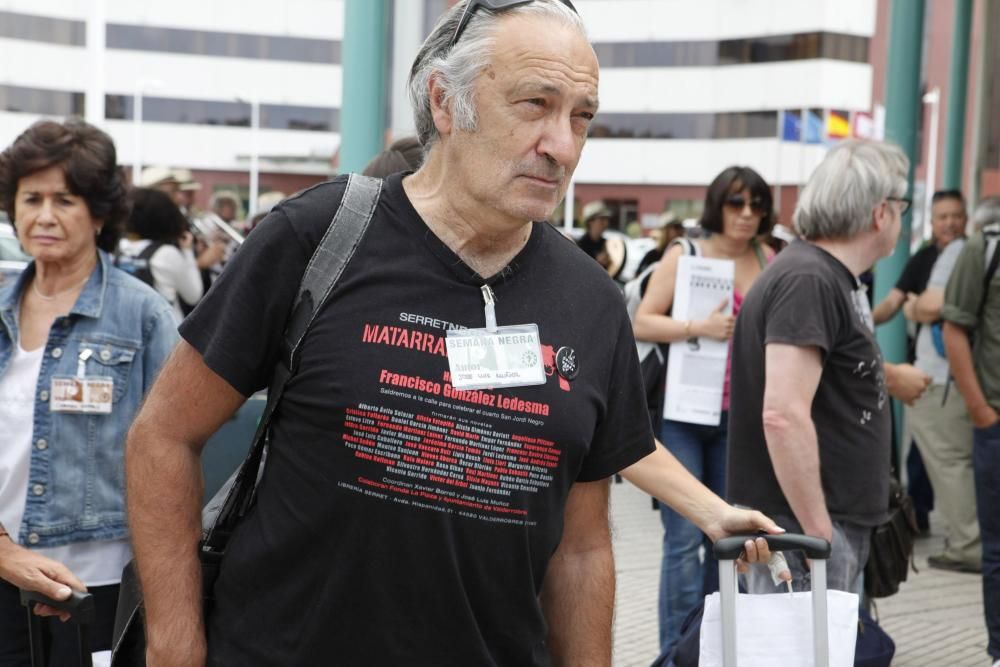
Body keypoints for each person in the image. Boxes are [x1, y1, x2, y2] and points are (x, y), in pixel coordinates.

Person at [124, 2, 780, 665]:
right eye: (534, 104)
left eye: (581, 115)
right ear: (445, 101)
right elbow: (164, 433)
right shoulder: (316, 238)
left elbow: (581, 549)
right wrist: (174, 643)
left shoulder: (592, 302)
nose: (564, 145)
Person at [0, 119, 178, 663]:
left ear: (100, 213)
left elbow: (173, 451)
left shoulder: (142, 313)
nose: (44, 216)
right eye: (31, 198)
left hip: (97, 580)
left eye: (66, 199)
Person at [728, 139, 929, 598]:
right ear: (881, 213)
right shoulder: (809, 280)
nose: (901, 217)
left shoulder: (821, 275)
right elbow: (782, 414)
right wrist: (820, 534)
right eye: (900, 207)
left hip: (818, 524)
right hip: (806, 530)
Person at [632, 165, 775, 654]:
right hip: (684, 416)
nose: (747, 214)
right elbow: (642, 322)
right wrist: (699, 327)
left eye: (757, 204)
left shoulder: (767, 256)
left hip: (741, 419)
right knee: (682, 538)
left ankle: (713, 648)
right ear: (718, 204)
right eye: (737, 203)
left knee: (731, 539)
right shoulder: (685, 252)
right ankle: (675, 652)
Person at [893, 195, 979, 572]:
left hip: (945, 375)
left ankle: (968, 544)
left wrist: (912, 307)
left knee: (949, 461)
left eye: (955, 216)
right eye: (942, 216)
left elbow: (929, 307)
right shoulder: (934, 255)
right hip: (961, 375)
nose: (949, 223)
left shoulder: (961, 250)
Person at [941, 196, 1000, 667]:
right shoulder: (985, 247)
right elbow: (954, 328)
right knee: (997, 547)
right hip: (997, 422)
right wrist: (980, 409)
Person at [119, 188, 204, 321]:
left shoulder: (117, 249)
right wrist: (187, 252)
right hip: (164, 333)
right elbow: (193, 295)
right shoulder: (166, 254)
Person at [577, 199, 612, 269]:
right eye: (602, 219)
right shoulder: (580, 245)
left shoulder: (606, 244)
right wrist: (596, 261)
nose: (606, 223)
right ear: (590, 221)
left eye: (607, 219)